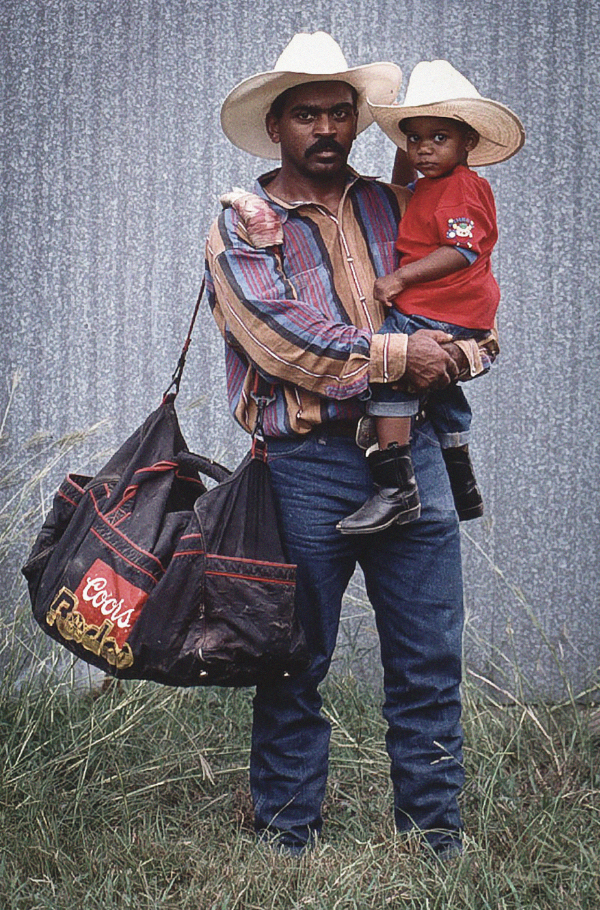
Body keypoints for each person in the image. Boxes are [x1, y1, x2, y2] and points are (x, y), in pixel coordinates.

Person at [205, 32, 498, 859]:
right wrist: (409, 354)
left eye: (341, 112)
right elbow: (279, 338)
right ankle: (287, 836)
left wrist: (464, 352)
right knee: (293, 658)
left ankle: (434, 836)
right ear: (278, 126)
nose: (327, 127)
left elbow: (469, 314)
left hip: (417, 453)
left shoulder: (397, 205)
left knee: (429, 657)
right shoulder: (244, 226)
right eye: (308, 114)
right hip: (305, 466)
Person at [338, 61, 525, 534]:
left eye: (438, 138)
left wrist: (399, 280)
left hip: (438, 308)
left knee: (394, 372)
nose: (423, 149)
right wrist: (408, 149)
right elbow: (405, 185)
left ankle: (396, 486)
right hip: (455, 309)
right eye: (414, 138)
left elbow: (461, 250)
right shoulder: (436, 183)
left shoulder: (459, 190)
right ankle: (461, 480)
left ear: (469, 144)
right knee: (442, 389)